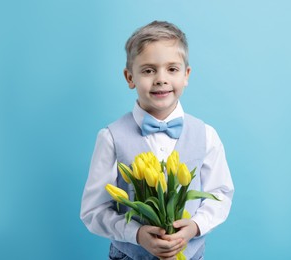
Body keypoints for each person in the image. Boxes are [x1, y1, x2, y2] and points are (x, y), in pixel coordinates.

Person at [80, 20, 234, 260]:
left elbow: (221, 194)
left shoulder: (206, 135)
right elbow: (93, 211)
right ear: (130, 77)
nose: (161, 79)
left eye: (172, 69)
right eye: (148, 70)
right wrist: (137, 233)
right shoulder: (111, 138)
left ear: (186, 75)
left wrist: (195, 226)